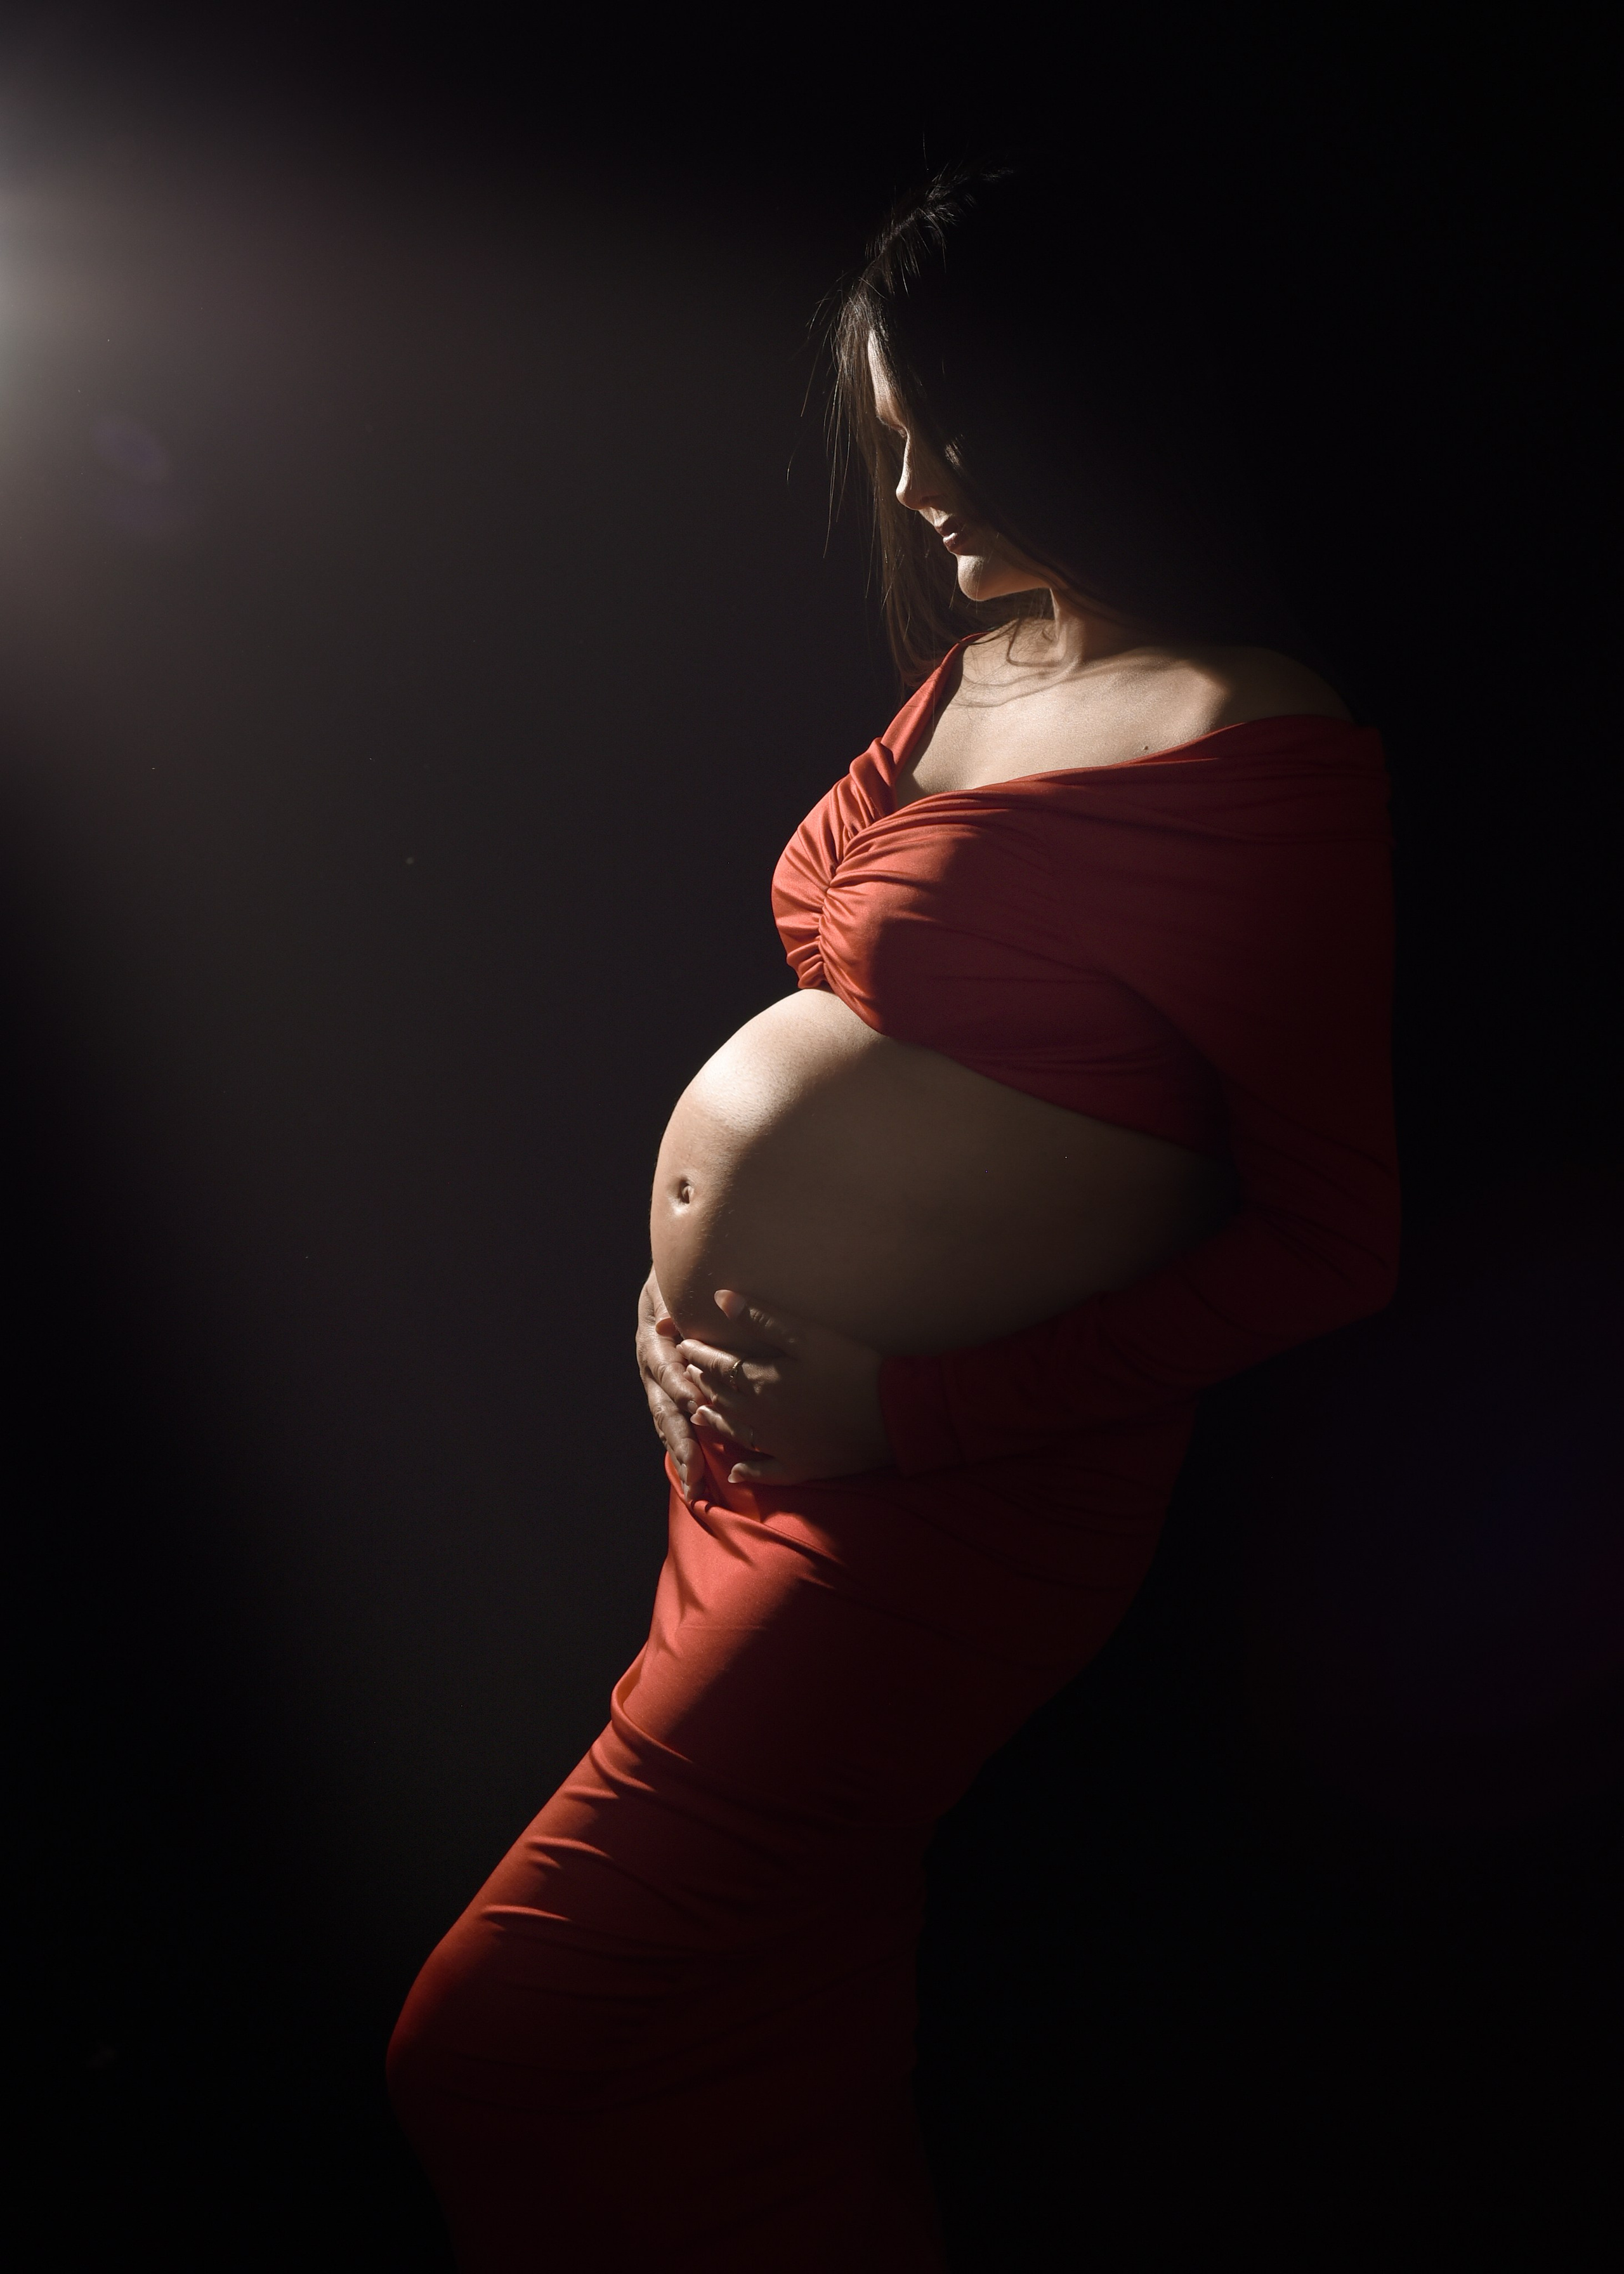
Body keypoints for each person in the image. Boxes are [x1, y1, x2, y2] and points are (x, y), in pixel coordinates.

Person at [386, 164, 1399, 2270]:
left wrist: (901, 1417)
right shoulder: (984, 665)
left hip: (937, 1512)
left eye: (958, 425)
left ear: (1085, 404)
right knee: (769, 2038)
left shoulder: (1259, 749)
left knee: (502, 2043)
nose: (921, 481)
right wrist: (667, 1314)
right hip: (748, 1472)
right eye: (896, 423)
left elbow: (1333, 1240)